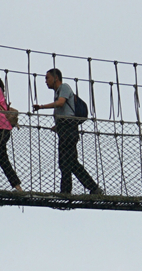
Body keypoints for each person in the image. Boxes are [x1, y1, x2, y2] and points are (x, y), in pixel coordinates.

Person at [34, 66, 102, 195]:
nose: (45, 81)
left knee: (67, 162)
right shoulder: (57, 92)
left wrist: (41, 107)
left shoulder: (64, 87)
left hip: (69, 129)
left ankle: (71, 191)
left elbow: (61, 103)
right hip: (65, 129)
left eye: (47, 78)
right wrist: (58, 126)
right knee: (68, 162)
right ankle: (87, 189)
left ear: (56, 78)